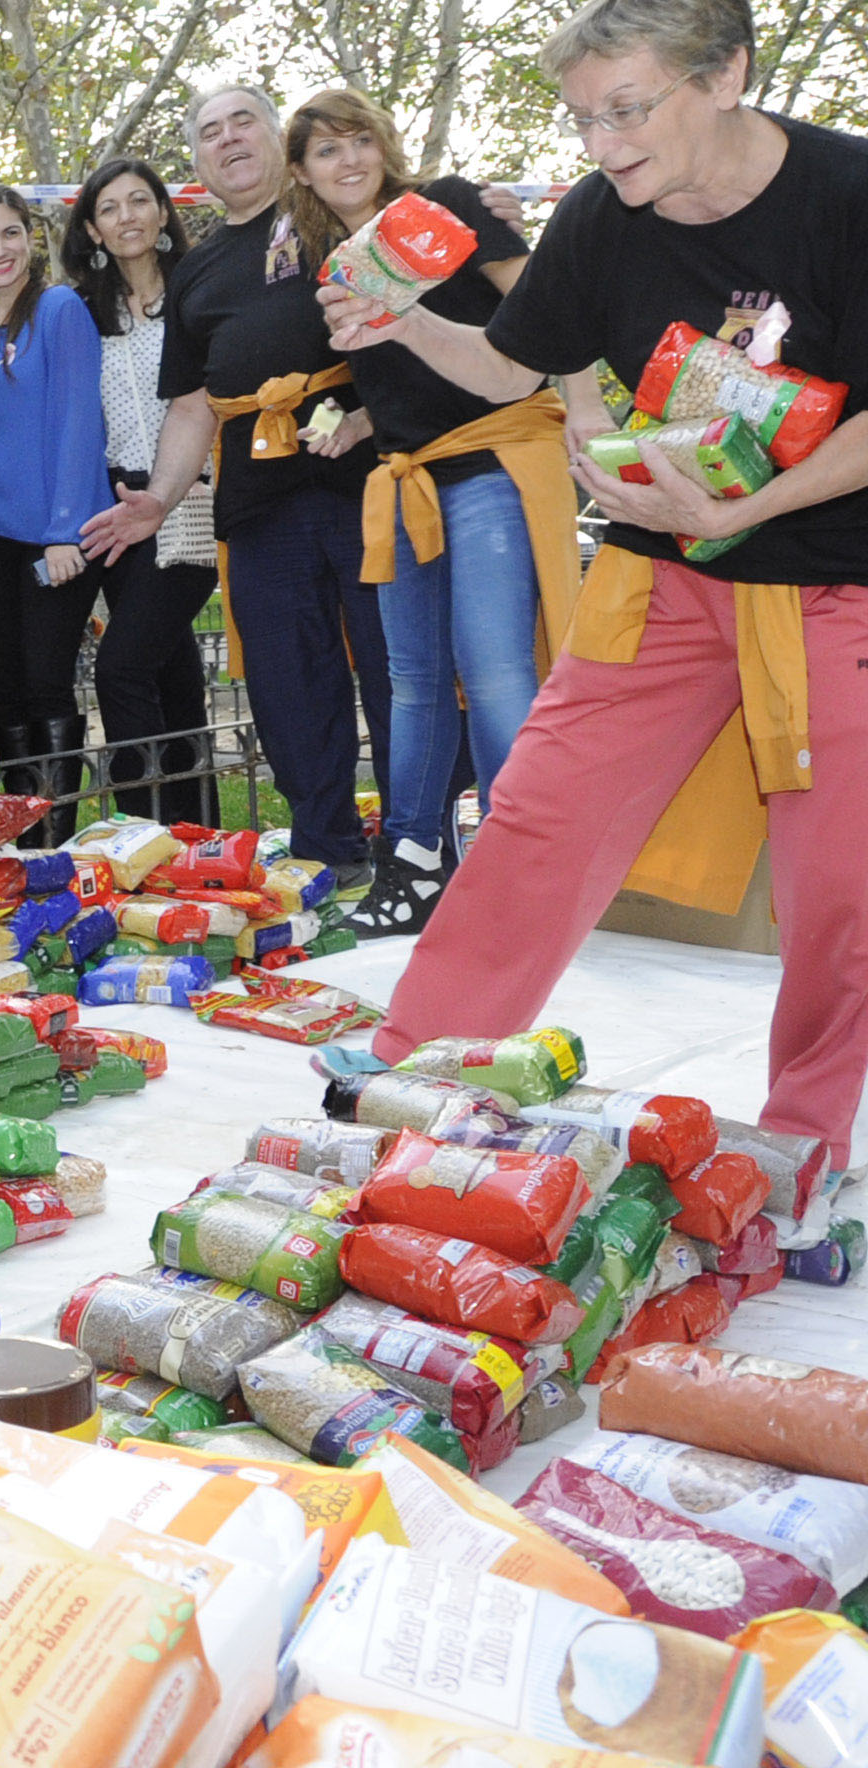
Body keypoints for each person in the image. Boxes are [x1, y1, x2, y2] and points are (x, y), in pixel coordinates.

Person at [322, 0, 868, 1171]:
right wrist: (403, 321)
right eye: (582, 120)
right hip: (661, 572)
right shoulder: (598, 214)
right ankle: (413, 1081)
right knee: (533, 823)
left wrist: (742, 509)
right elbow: (515, 354)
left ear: (726, 77)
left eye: (626, 111)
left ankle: (798, 1151)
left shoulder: (850, 194)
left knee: (840, 893)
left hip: (836, 584)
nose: (601, 146)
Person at [82, 84, 391, 888]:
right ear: (197, 162)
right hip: (256, 504)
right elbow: (190, 405)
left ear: (277, 136)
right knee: (289, 684)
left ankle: (417, 845)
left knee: (400, 668)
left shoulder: (337, 213)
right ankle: (330, 851)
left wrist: (364, 412)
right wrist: (157, 496)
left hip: (369, 479)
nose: (228, 140)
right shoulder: (199, 271)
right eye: (209, 133)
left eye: (242, 122)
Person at [287, 89, 577, 936]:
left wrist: (587, 409)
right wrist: (361, 421)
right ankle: (412, 866)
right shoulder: (337, 267)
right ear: (302, 173)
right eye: (326, 151)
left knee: (495, 672)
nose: (348, 160)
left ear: (383, 145)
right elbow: (407, 371)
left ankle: (524, 868)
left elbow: (539, 304)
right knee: (410, 684)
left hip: (491, 462)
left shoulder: (445, 205)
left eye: (358, 141)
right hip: (405, 478)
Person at [61, 157, 221, 826]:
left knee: (121, 669)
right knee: (172, 674)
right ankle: (199, 838)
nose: (125, 216)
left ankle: (140, 836)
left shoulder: (197, 288)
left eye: (138, 201)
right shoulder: (80, 311)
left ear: (161, 212)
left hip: (189, 501)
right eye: (109, 208)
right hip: (116, 509)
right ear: (93, 229)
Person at [0, 184, 110, 843]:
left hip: (55, 538)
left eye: (9, 234)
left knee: (48, 685)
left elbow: (80, 420)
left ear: (31, 238)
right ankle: (19, 842)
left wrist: (63, 531)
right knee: (9, 690)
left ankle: (56, 844)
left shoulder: (60, 308)